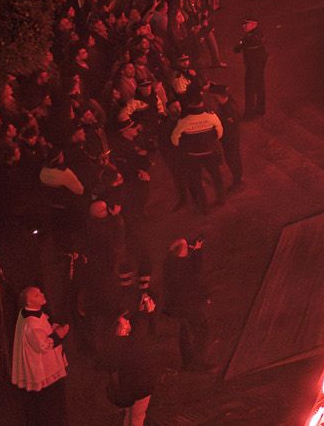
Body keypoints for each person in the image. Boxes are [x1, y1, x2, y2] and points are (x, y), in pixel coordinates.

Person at [11, 285, 69, 425]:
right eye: (36, 295)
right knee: (48, 404)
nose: (42, 294)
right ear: (29, 303)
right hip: (43, 370)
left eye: (40, 292)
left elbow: (45, 321)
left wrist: (54, 326)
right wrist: (60, 334)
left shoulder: (33, 312)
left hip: (46, 367)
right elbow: (43, 345)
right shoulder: (30, 322)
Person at [169, 97, 226, 212]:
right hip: (209, 153)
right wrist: (211, 141)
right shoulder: (211, 116)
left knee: (197, 181)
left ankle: (204, 207)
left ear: (189, 104)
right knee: (216, 177)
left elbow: (174, 138)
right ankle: (221, 199)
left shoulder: (184, 120)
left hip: (193, 155)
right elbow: (220, 131)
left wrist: (183, 146)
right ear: (201, 103)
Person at [161, 238, 208, 373]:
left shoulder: (169, 264)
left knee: (184, 333)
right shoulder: (184, 267)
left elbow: (172, 252)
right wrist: (198, 251)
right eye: (186, 248)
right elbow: (196, 271)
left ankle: (187, 363)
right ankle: (197, 364)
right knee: (201, 331)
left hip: (177, 307)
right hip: (189, 305)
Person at [106, 311, 155, 425]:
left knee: (129, 415)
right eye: (125, 322)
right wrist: (150, 313)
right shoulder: (138, 343)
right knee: (137, 417)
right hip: (141, 388)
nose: (127, 322)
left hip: (126, 389)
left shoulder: (116, 345)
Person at [234, 21, 268, 117]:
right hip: (260, 64)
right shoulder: (260, 34)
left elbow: (236, 49)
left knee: (250, 88)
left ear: (254, 24)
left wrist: (241, 43)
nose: (243, 26)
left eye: (246, 24)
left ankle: (249, 112)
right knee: (260, 85)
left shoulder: (249, 37)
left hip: (251, 65)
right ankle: (260, 109)